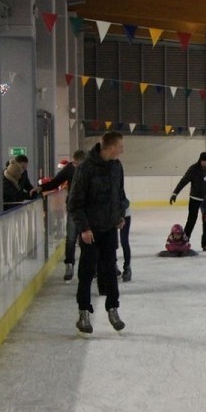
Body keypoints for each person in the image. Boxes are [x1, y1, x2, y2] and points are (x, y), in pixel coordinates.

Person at [66, 131, 128, 334]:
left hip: (110, 228)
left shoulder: (116, 166)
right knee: (86, 272)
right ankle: (83, 312)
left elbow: (120, 195)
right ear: (111, 147)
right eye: (120, 146)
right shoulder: (86, 168)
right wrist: (84, 228)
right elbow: (74, 203)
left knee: (110, 270)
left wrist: (119, 215)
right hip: (90, 231)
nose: (122, 149)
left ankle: (113, 308)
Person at [38, 150, 86, 282]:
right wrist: (40, 188)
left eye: (77, 164)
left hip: (88, 210)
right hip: (73, 208)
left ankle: (89, 268)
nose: (75, 165)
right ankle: (69, 265)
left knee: (87, 240)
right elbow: (56, 181)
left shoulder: (91, 169)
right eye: (74, 163)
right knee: (71, 238)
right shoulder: (69, 168)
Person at [170, 152, 206, 250]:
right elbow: (184, 181)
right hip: (195, 198)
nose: (205, 163)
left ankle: (205, 244)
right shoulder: (193, 169)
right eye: (203, 161)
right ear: (200, 160)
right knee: (191, 221)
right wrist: (175, 193)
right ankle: (184, 242)